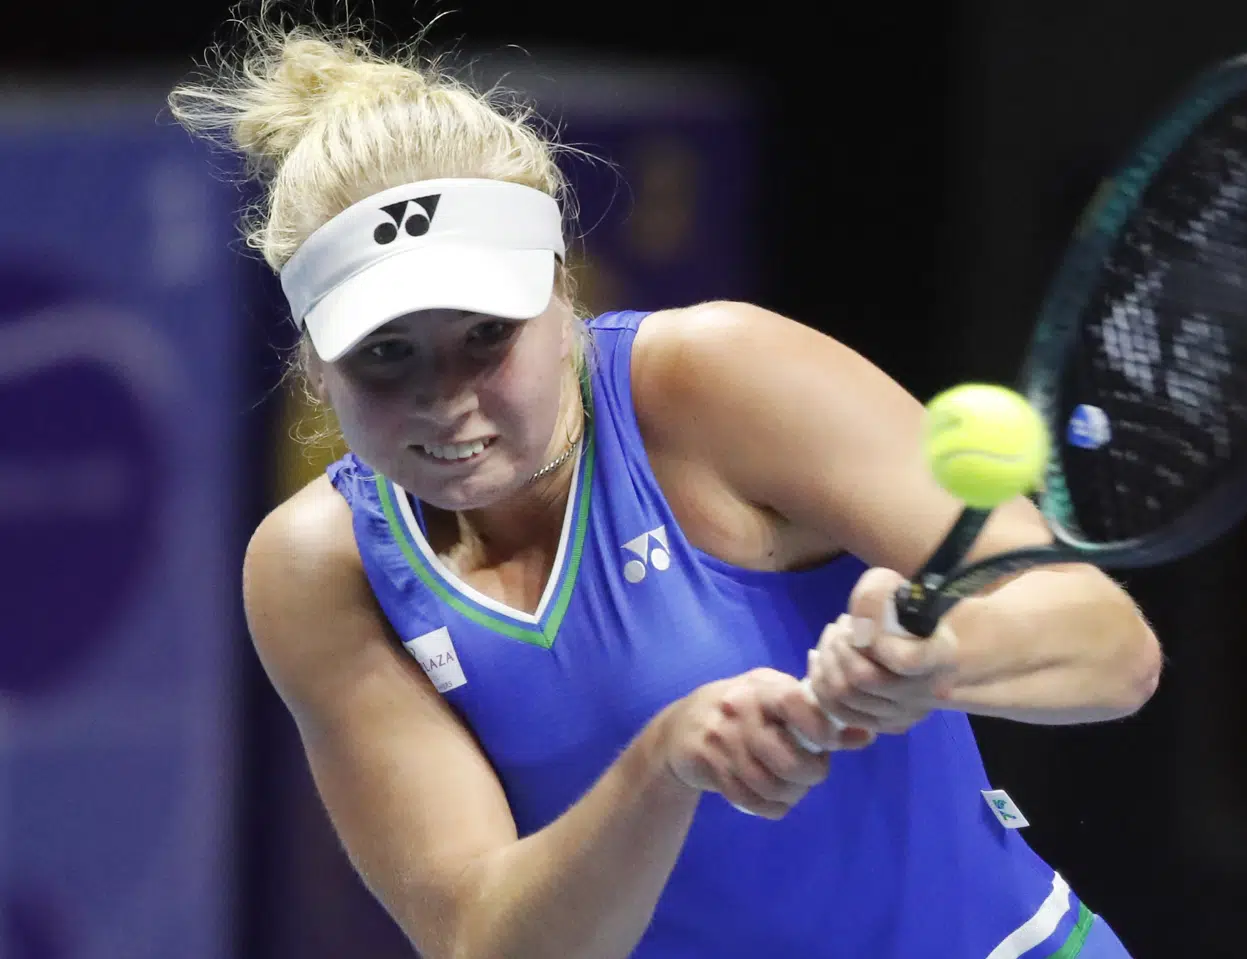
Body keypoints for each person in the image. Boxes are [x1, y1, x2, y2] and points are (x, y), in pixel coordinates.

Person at [170, 7, 1161, 958]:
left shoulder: (717, 378)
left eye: (486, 335)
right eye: (388, 353)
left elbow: (1112, 650)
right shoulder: (317, 566)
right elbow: (482, 938)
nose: (447, 401)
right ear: (315, 365)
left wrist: (940, 656)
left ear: (562, 291)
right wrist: (664, 762)